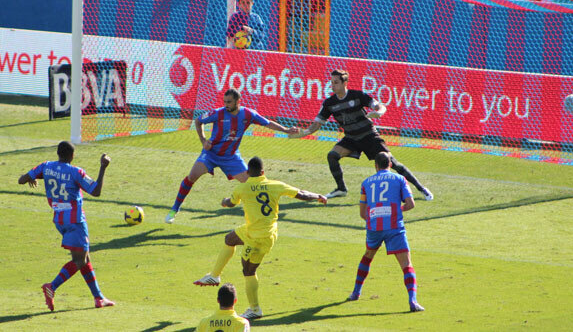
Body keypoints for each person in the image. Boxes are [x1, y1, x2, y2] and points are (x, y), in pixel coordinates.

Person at [193, 156, 327, 319]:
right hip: (257, 231)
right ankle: (214, 275)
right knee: (230, 239)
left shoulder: (242, 188)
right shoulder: (275, 185)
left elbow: (230, 203)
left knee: (248, 270)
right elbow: (302, 194)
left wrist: (224, 201)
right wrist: (318, 195)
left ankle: (255, 309)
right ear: (263, 172)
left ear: (248, 172)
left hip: (259, 238)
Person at [288, 69, 433, 201]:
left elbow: (380, 106)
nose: (333, 85)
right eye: (331, 82)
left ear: (345, 83)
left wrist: (379, 113)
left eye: (336, 82)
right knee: (332, 155)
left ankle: (422, 189)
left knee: (392, 163)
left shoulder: (357, 96)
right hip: (351, 138)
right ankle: (341, 189)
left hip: (369, 136)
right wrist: (304, 133)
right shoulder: (329, 103)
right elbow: (317, 124)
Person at [165, 88, 298, 224]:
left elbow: (268, 123)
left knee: (252, 184)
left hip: (231, 157)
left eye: (229, 102)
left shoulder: (248, 114)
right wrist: (204, 141)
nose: (226, 104)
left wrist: (286, 130)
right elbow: (198, 121)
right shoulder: (217, 113)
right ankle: (174, 209)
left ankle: (260, 217)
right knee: (192, 177)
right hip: (211, 154)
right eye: (225, 102)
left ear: (238, 102)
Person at [17, 141, 115, 311]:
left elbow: (21, 180)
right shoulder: (76, 172)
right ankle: (52, 287)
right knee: (79, 260)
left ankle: (98, 298)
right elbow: (96, 191)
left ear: (57, 153)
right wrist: (103, 167)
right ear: (72, 156)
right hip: (75, 221)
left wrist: (32, 178)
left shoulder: (46, 167)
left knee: (85, 258)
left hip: (60, 221)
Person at [346, 152, 424, 312]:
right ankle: (413, 301)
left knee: (368, 256)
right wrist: (395, 210)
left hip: (374, 227)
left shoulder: (366, 183)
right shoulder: (400, 179)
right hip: (394, 226)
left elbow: (362, 213)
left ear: (375, 166)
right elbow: (410, 204)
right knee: (406, 264)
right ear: (390, 164)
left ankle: (355, 292)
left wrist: (377, 214)